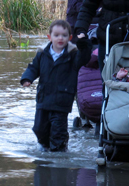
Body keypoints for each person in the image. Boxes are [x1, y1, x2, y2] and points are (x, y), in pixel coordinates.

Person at [21, 20, 92, 151]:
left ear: (70, 38)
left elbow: (84, 58)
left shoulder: (73, 55)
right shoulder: (42, 54)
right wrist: (27, 78)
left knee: (58, 130)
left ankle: (59, 150)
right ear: (50, 37)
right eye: (57, 35)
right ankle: (45, 145)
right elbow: (33, 68)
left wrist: (84, 44)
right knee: (39, 128)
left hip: (62, 101)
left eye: (64, 35)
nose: (60, 38)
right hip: (44, 98)